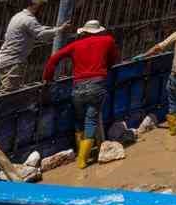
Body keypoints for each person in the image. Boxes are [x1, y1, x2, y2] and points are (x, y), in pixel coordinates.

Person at [43, 19, 120, 168]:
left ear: (83, 32)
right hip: (97, 84)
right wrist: (106, 67)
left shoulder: (75, 45)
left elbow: (53, 59)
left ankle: (81, 153)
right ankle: (82, 159)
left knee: (79, 120)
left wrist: (48, 78)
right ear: (99, 30)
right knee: (91, 119)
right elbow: (113, 59)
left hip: (78, 86)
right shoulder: (107, 40)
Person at [0, 0, 70, 92]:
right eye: (42, 10)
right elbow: (41, 35)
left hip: (6, 59)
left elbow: (38, 29)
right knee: (11, 94)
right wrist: (60, 30)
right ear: (36, 7)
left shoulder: (18, 16)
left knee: (10, 90)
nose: (42, 13)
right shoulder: (29, 20)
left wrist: (54, 28)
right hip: (13, 61)